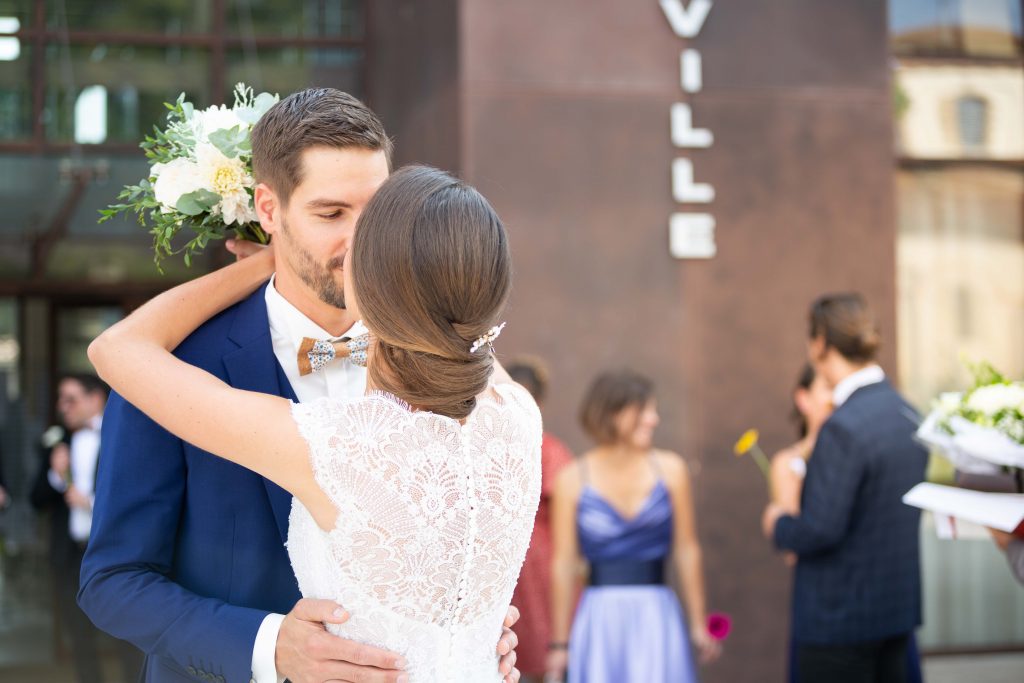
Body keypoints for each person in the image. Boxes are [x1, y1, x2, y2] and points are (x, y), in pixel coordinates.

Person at [79, 90, 523, 683]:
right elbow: (113, 581)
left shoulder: (446, 366)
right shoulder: (179, 365)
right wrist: (266, 646)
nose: (360, 241)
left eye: (375, 213)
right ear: (269, 209)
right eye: (331, 214)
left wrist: (464, 623)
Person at [762, 294, 927, 683]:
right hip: (895, 614)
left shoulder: (843, 427)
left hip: (840, 622)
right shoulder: (906, 413)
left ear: (820, 343)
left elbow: (820, 528)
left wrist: (778, 522)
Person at [547, 370, 719, 683]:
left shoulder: (671, 469)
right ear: (610, 413)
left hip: (656, 615)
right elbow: (564, 563)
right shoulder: (571, 479)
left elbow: (686, 549)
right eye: (643, 410)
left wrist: (698, 623)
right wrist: (560, 644)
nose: (653, 419)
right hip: (599, 620)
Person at [30, 374, 142, 683]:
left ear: (95, 399)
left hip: (115, 554)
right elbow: (36, 499)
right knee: (79, 637)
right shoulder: (58, 443)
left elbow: (139, 494)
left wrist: (90, 503)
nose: (62, 407)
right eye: (60, 399)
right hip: (70, 557)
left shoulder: (122, 437)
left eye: (71, 399)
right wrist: (56, 475)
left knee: (126, 636)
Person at [506, 357, 574, 682]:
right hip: (515, 564)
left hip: (537, 569)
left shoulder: (550, 451)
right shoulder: (495, 446)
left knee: (536, 650)